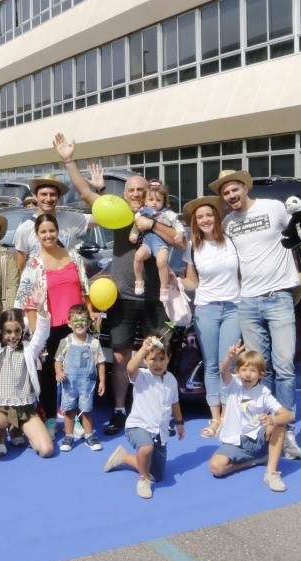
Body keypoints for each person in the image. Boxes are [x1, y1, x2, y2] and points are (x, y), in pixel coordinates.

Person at [54, 132, 186, 435]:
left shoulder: (163, 216)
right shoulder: (118, 214)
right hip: (123, 298)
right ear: (124, 194)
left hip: (157, 299)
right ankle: (118, 410)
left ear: (148, 192)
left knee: (159, 352)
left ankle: (159, 411)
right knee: (119, 355)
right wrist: (68, 159)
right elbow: (85, 193)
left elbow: (179, 243)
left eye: (141, 189)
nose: (136, 193)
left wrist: (152, 224)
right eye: (131, 189)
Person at [213, 169, 301, 460]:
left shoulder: (273, 208)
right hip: (248, 302)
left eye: (234, 190)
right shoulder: (227, 223)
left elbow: (300, 234)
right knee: (260, 370)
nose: (231, 196)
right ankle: (263, 428)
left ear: (244, 187)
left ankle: (285, 429)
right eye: (226, 193)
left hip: (279, 297)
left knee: (285, 365)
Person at [14, 213, 91, 429]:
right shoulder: (33, 264)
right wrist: (38, 332)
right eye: (43, 232)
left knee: (77, 374)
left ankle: (74, 417)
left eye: (51, 230)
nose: (48, 235)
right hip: (50, 327)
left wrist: (91, 315)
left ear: (58, 231)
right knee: (48, 376)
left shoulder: (74, 257)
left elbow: (85, 290)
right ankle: (49, 418)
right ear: (37, 235)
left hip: (77, 327)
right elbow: (26, 301)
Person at [178, 195, 241, 439]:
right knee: (212, 365)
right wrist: (173, 280)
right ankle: (216, 418)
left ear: (216, 217)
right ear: (195, 221)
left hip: (234, 307)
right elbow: (192, 282)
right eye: (200, 217)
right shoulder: (192, 247)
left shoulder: (232, 241)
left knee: (230, 363)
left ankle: (227, 415)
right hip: (206, 309)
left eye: (209, 215)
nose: (205, 219)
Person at [102, 336, 184, 499]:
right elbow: (130, 368)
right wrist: (143, 349)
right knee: (146, 448)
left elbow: (175, 403)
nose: (158, 363)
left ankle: (123, 457)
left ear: (169, 358)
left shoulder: (171, 380)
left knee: (158, 475)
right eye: (153, 359)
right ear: (145, 361)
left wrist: (180, 422)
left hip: (159, 432)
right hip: (138, 426)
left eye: (162, 359)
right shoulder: (142, 376)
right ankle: (143, 480)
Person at [0, 287, 55, 458]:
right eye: (8, 332)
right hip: (1, 409)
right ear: (1, 332)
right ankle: (1, 433)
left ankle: (17, 428)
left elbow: (42, 334)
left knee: (47, 450)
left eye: (17, 331)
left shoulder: (29, 350)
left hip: (25, 410)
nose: (13, 336)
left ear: (22, 330)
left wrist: (40, 308)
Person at [209, 340, 291, 492]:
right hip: (235, 441)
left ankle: (271, 473)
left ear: (261, 374)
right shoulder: (233, 384)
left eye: (253, 371)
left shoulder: (264, 392)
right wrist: (229, 357)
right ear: (238, 371)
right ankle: (252, 461)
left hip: (257, 438)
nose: (247, 374)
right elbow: (223, 370)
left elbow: (287, 415)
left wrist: (273, 419)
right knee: (216, 468)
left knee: (279, 423)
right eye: (244, 369)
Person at [11, 174, 97, 272]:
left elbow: (100, 219)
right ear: (35, 197)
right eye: (44, 194)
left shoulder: (71, 219)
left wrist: (99, 190)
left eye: (52, 194)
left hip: (66, 283)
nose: (48, 199)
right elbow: (19, 267)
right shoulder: (25, 228)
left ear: (58, 197)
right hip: (39, 286)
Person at [54, 304, 105, 452]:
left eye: (83, 320)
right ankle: (68, 436)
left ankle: (89, 435)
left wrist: (102, 381)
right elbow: (57, 361)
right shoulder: (65, 342)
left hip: (87, 385)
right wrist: (58, 372)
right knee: (69, 411)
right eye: (75, 321)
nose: (79, 324)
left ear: (89, 323)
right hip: (69, 384)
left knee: (87, 410)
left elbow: (101, 363)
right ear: (69, 323)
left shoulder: (94, 343)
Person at [131, 183, 184, 301]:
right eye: (151, 199)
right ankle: (139, 281)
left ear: (164, 202)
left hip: (161, 245)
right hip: (147, 244)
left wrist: (180, 233)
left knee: (161, 262)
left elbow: (178, 225)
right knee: (138, 256)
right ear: (145, 201)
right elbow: (136, 225)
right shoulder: (142, 212)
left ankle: (164, 288)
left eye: (158, 200)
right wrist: (134, 234)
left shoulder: (167, 214)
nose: (154, 203)